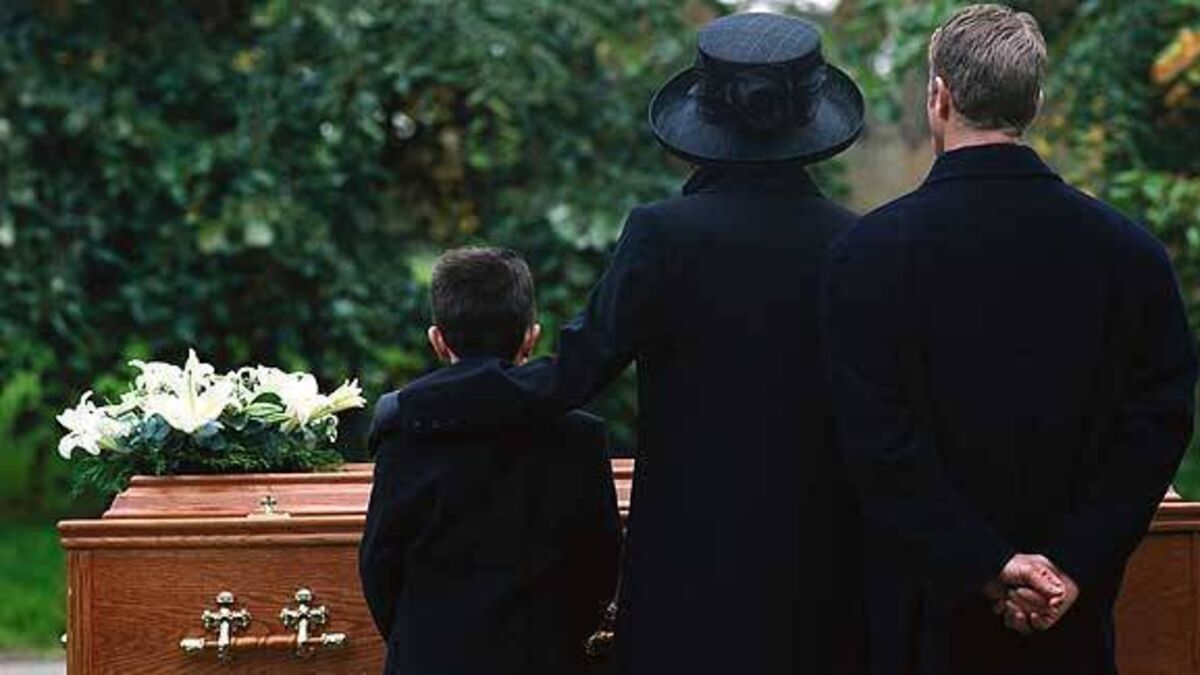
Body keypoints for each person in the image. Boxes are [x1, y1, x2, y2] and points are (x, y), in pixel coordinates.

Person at [397, 12, 869, 675]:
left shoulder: (662, 233)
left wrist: (433, 402)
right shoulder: (850, 239)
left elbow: (574, 372)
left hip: (688, 564)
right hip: (818, 564)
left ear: (706, 123)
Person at [822, 5, 1199, 674]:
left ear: (940, 97)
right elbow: (1157, 425)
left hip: (926, 626)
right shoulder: (1131, 255)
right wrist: (1070, 565)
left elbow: (875, 439)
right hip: (1069, 623)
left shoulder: (869, 254)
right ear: (1035, 101)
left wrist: (987, 564)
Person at [358, 247, 621, 675]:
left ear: (438, 341)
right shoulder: (581, 437)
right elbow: (600, 565)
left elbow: (380, 564)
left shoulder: (403, 432)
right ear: (530, 338)